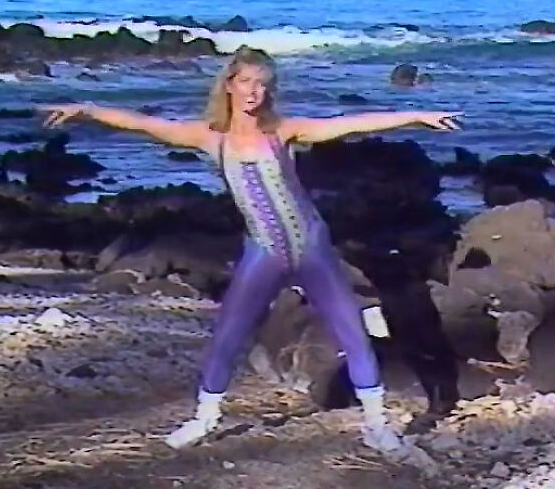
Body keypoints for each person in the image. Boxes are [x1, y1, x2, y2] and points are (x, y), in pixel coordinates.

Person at [40, 45, 462, 452]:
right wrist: (88, 111)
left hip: (312, 246)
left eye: (262, 84)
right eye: (246, 82)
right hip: (263, 251)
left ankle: (378, 427)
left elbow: (352, 123)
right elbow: (145, 124)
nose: (254, 92)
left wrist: (416, 116)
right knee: (228, 335)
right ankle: (205, 419)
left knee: (352, 332)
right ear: (229, 85)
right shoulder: (210, 137)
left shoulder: (283, 131)